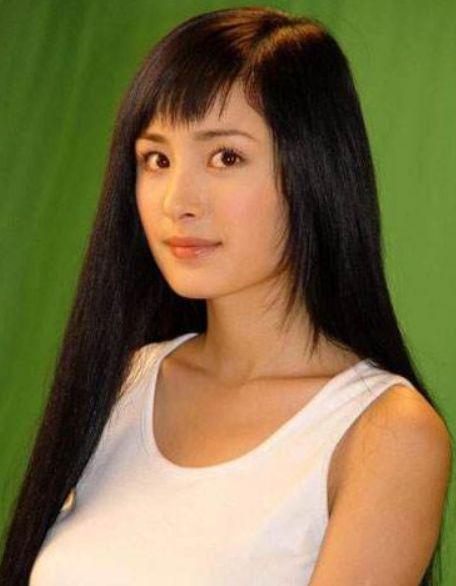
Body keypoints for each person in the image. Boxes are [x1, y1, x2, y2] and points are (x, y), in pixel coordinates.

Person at [0, 6, 452, 585]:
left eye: (226, 157)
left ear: (314, 170)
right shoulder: (125, 382)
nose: (177, 202)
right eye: (157, 159)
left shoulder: (384, 433)